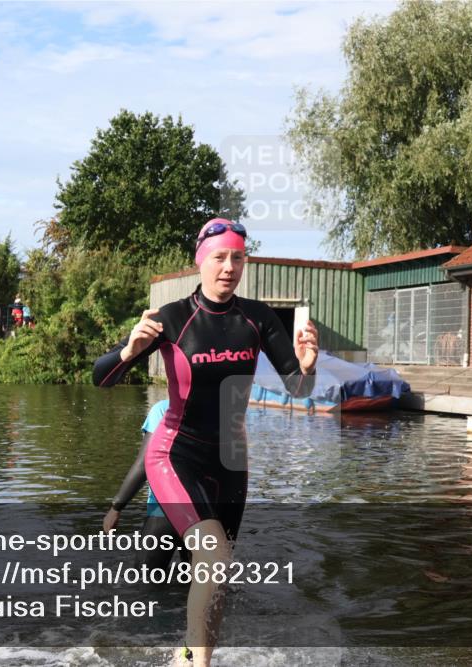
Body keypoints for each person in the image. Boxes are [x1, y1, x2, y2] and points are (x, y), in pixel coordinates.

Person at [92, 219, 318, 667]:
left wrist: (308, 366)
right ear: (200, 260)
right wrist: (127, 350)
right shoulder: (171, 318)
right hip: (176, 453)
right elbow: (102, 379)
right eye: (219, 257)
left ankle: (187, 656)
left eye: (237, 257)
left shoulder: (258, 318)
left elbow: (298, 390)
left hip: (232, 460)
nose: (228, 267)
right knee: (213, 552)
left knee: (219, 568)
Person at [102, 399, 186, 572]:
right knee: (199, 583)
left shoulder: (165, 409)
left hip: (166, 508)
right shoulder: (217, 413)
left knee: (146, 580)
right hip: (207, 512)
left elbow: (145, 463)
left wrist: (116, 507)